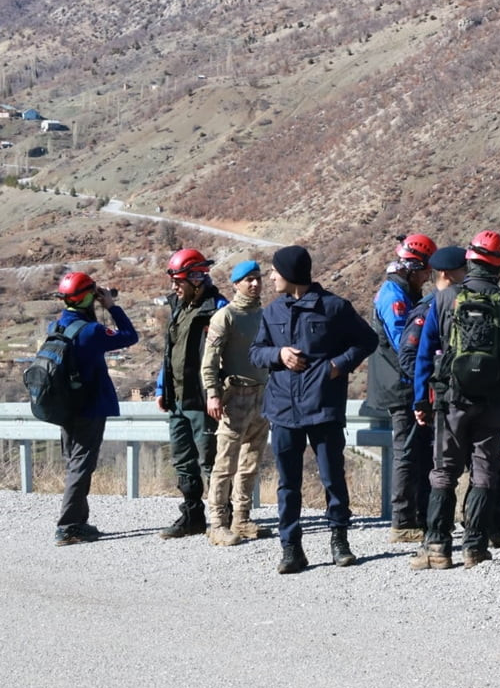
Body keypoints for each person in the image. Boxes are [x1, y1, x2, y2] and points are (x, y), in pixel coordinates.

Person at [409, 230, 500, 570]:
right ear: (499, 267)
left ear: (470, 260)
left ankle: (436, 545)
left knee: (444, 471)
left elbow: (424, 355)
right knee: (484, 470)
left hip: (451, 399)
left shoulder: (444, 299)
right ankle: (475, 547)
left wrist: (421, 400)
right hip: (494, 402)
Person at [250, 245, 377, 574]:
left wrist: (339, 364)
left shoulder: (334, 308)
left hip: (323, 407)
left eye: (275, 271)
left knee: (332, 477)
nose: (271, 276)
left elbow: (367, 340)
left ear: (290, 274)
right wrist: (279, 356)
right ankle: (291, 548)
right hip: (283, 411)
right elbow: (256, 352)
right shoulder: (272, 312)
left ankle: (340, 541)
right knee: (287, 483)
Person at [48, 272, 139, 545]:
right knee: (82, 465)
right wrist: (110, 306)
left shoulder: (54, 327)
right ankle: (69, 526)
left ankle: (79, 521)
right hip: (89, 408)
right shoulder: (92, 331)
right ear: (88, 297)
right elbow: (129, 336)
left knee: (75, 464)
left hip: (65, 406)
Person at [367, 234, 437, 543]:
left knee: (418, 451)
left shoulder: (403, 290)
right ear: (413, 267)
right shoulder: (394, 296)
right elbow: (405, 344)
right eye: (425, 271)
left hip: (407, 383)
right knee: (407, 452)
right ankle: (403, 520)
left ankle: (418, 515)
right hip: (401, 385)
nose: (428, 278)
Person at [155, 248, 227, 539]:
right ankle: (193, 515)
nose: (174, 287)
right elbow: (171, 351)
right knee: (183, 459)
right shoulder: (179, 307)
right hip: (178, 399)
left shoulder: (219, 308)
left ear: (197, 279)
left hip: (203, 399)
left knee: (210, 459)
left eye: (179, 281)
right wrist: (162, 386)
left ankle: (224, 517)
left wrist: (217, 392)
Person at [201, 260, 271, 546]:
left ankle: (241, 518)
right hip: (235, 397)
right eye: (248, 280)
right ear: (236, 284)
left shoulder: (265, 316)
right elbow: (210, 360)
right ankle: (217, 523)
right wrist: (213, 393)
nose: (255, 284)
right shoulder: (225, 317)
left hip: (262, 396)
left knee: (251, 462)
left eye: (258, 278)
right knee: (225, 464)